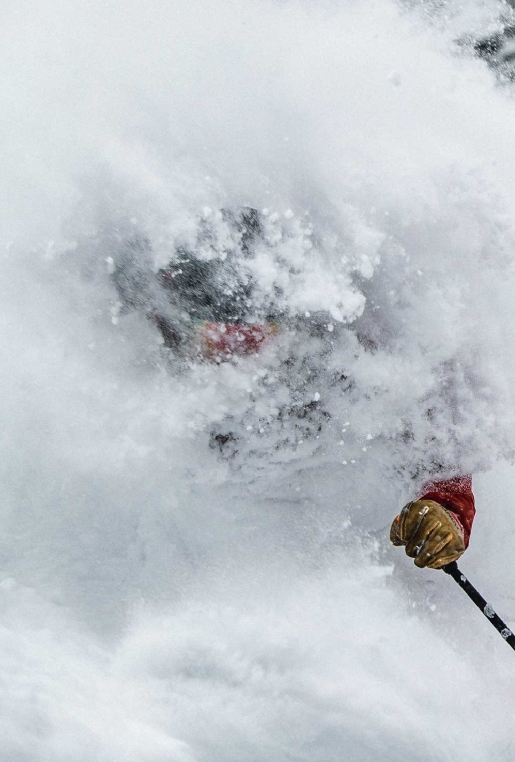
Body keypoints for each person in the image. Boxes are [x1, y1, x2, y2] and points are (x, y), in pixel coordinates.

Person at [113, 206, 475, 571]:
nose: (237, 344)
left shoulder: (340, 348)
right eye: (214, 328)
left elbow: (435, 410)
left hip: (317, 549)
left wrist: (446, 506)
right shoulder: (136, 334)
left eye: (257, 328)